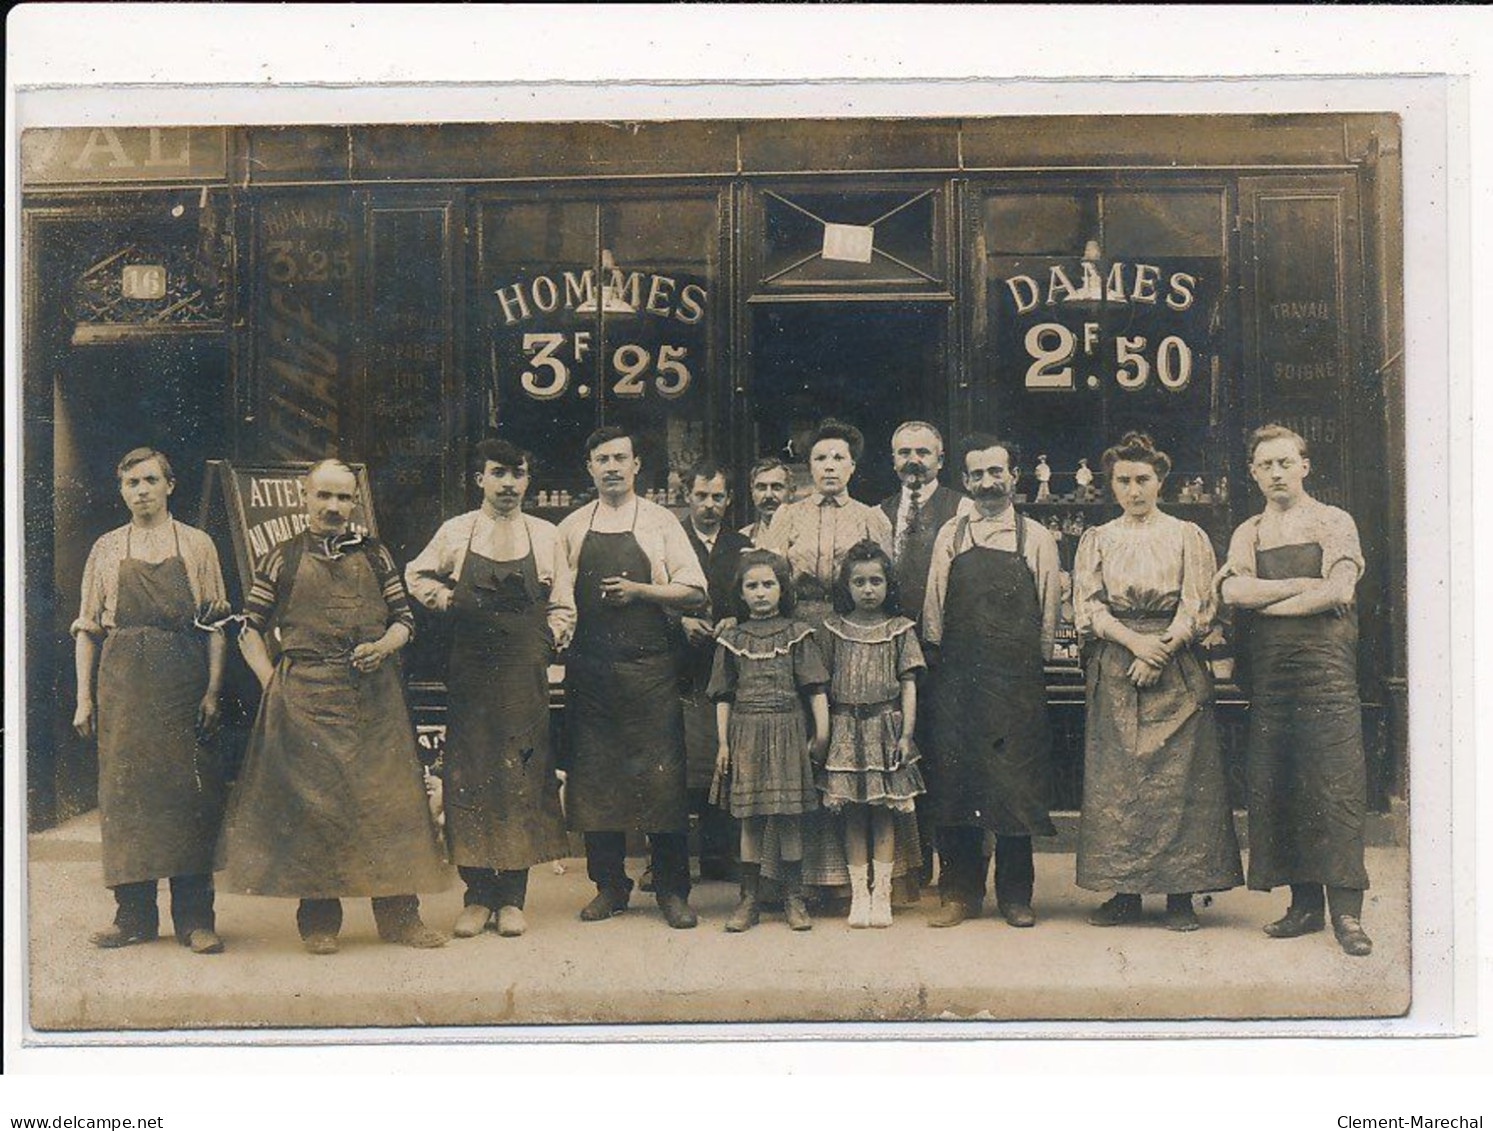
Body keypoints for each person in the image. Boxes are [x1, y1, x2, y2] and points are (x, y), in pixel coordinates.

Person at [217, 459, 449, 954]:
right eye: (324, 496)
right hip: (307, 702)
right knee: (316, 812)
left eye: (344, 498)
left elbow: (405, 620)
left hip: (374, 699)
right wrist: (271, 682)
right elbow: (249, 628)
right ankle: (319, 921)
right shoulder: (282, 557)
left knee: (389, 808)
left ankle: (399, 919)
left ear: (355, 503)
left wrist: (385, 646)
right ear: (305, 498)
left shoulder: (377, 555)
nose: (334, 507)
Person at [404, 439, 575, 939]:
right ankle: (477, 895)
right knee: (472, 776)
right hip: (472, 671)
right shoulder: (456, 531)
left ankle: (513, 898)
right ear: (480, 479)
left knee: (520, 776)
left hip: (524, 671)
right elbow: (415, 574)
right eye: (498, 473)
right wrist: (444, 599)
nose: (508, 484)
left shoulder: (546, 536)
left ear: (528, 481)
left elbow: (563, 604)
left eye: (517, 473)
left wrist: (548, 641)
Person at [1072, 432, 1242, 932]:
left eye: (1143, 479)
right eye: (1123, 481)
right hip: (1119, 661)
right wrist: (1134, 644)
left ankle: (1180, 896)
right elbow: (1088, 605)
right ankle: (1124, 892)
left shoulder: (1187, 535)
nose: (1134, 490)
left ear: (1160, 480)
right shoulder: (1098, 539)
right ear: (1112, 485)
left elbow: (1199, 603)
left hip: (1177, 663)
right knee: (1119, 780)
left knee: (1181, 781)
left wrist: (1161, 648)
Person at [1218, 424, 1374, 957]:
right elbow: (1234, 591)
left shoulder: (1334, 521)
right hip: (1272, 680)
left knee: (1334, 786)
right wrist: (1298, 588)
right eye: (1266, 465)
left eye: (1286, 462)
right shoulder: (1250, 531)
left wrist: (1271, 604)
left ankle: (1347, 915)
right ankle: (1303, 906)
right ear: (1254, 473)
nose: (1277, 473)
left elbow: (1339, 591)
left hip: (1327, 677)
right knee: (1281, 788)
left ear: (1305, 465)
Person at [71, 447, 230, 954]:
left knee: (190, 798)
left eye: (149, 481)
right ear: (121, 491)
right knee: (127, 798)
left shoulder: (198, 544)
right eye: (130, 484)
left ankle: (194, 919)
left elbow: (217, 625)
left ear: (170, 485)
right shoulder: (106, 548)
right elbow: (88, 628)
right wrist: (83, 698)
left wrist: (212, 689)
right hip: (122, 684)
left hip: (183, 682)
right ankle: (133, 916)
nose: (140, 491)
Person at [556, 427, 709, 929]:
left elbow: (694, 592)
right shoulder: (573, 527)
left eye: (621, 457)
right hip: (591, 669)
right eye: (602, 459)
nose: (612, 467)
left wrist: (641, 591)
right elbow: (558, 597)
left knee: (661, 781)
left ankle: (670, 889)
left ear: (637, 464)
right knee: (596, 780)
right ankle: (610, 886)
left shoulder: (662, 521)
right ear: (590, 468)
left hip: (649, 668)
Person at [923, 436, 1061, 928]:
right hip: (959, 681)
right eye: (977, 475)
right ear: (965, 481)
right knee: (958, 785)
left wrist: (1031, 667)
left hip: (1016, 684)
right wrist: (943, 664)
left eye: (996, 472)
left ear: (1014, 477)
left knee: (1014, 790)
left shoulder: (1036, 538)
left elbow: (1049, 613)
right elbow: (934, 612)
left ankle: (1015, 896)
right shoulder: (951, 535)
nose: (987, 483)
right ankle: (959, 894)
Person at [709, 550, 830, 932]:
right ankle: (750, 899)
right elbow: (724, 696)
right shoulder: (732, 638)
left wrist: (821, 733)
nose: (761, 593)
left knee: (789, 818)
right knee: (751, 821)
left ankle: (793, 897)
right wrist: (723, 745)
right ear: (740, 594)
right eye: (752, 586)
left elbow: (815, 690)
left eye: (769, 584)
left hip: (788, 730)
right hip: (745, 732)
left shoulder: (798, 634)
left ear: (782, 589)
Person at [877, 420, 973, 886]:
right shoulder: (881, 511)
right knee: (898, 756)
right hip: (894, 654)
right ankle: (911, 869)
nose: (912, 461)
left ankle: (954, 874)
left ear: (940, 459)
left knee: (946, 758)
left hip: (946, 655)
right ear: (892, 460)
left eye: (922, 452)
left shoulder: (964, 508)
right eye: (903, 453)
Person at [818, 540, 926, 928]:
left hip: (886, 728)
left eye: (876, 581)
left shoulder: (900, 629)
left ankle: (882, 895)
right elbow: (824, 686)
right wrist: (825, 735)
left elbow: (909, 684)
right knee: (853, 815)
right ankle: (858, 896)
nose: (868, 589)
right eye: (859, 582)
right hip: (846, 729)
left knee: (882, 812)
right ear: (846, 586)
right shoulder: (833, 629)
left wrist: (906, 735)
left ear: (888, 584)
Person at [675, 458, 753, 882]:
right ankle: (669, 861)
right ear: (687, 497)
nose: (708, 505)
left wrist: (736, 621)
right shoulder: (669, 538)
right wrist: (680, 622)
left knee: (723, 758)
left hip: (726, 666)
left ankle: (719, 855)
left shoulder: (740, 546)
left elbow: (756, 597)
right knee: (680, 762)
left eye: (717, 497)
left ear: (728, 500)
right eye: (701, 496)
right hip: (680, 667)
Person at [758, 419, 894, 630]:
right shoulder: (787, 516)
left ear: (852, 466)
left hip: (854, 623)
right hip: (798, 625)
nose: (829, 466)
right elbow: (768, 577)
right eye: (820, 458)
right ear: (810, 466)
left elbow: (884, 581)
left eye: (839, 458)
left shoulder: (871, 517)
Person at [739, 457, 791, 546]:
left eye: (776, 487)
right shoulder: (744, 537)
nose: (768, 495)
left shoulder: (805, 534)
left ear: (791, 492)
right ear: (752, 493)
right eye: (761, 488)